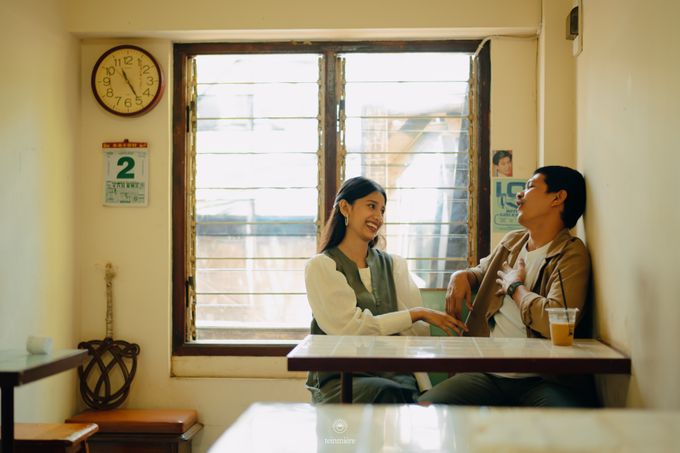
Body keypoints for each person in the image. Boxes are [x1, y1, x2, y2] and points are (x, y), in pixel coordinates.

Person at [419, 166, 596, 407]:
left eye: (531, 186)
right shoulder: (513, 240)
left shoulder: (571, 253)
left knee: (564, 429)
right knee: (425, 408)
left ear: (558, 197)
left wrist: (516, 288)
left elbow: (556, 319)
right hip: (487, 373)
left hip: (543, 379)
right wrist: (463, 275)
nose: (520, 194)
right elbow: (483, 272)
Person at [304, 176, 466, 404]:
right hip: (342, 379)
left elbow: (413, 335)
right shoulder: (321, 266)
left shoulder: (394, 265)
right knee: (388, 393)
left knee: (420, 398)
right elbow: (350, 329)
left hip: (396, 376)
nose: (378, 217)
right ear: (344, 207)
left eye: (382, 210)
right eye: (371, 206)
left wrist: (424, 389)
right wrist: (416, 313)